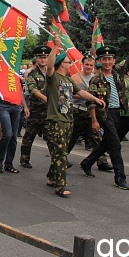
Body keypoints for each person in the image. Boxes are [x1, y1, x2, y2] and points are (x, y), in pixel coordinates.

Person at [79, 30, 129, 190]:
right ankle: (120, 178)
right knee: (115, 145)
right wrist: (94, 120)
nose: (107, 62)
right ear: (100, 61)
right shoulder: (96, 79)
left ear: (114, 60)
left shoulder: (118, 73)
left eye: (110, 59)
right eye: (104, 59)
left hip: (119, 113)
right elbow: (91, 102)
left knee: (106, 143)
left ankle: (86, 163)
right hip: (104, 114)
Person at [45, 38, 105, 197]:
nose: (70, 64)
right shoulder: (53, 78)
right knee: (60, 152)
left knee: (62, 150)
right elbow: (49, 65)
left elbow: (80, 92)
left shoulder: (68, 80)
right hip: (56, 120)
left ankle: (52, 176)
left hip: (68, 120)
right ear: (62, 64)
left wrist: (94, 98)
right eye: (68, 62)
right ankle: (60, 185)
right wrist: (56, 46)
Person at [68, 53, 111, 168]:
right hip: (78, 111)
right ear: (82, 64)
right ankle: (62, 157)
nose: (89, 67)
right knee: (72, 137)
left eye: (91, 65)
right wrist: (86, 95)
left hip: (91, 112)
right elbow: (69, 95)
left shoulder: (95, 78)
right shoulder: (76, 77)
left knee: (96, 137)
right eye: (86, 64)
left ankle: (102, 162)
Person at [19, 46, 49, 168]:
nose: (43, 59)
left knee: (52, 136)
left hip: (49, 110)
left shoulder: (51, 72)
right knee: (29, 135)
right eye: (40, 57)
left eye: (45, 57)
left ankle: (60, 158)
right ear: (36, 58)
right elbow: (32, 89)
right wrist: (46, 99)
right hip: (36, 109)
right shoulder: (32, 74)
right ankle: (24, 158)